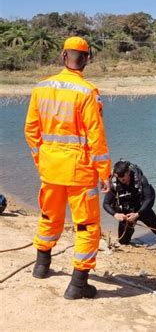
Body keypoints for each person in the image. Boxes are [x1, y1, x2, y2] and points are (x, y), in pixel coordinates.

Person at [24, 36, 112, 300]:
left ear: (63, 56)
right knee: (86, 226)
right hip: (80, 172)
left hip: (50, 169)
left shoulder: (41, 87)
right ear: (86, 59)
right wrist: (104, 173)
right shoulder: (87, 92)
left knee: (50, 217)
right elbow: (96, 137)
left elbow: (31, 131)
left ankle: (41, 267)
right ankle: (77, 285)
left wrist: (42, 159)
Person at [103, 160, 156, 248]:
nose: (122, 179)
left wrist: (138, 214)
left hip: (142, 209)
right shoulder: (113, 185)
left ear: (128, 172)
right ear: (116, 175)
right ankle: (131, 233)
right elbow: (106, 204)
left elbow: (149, 199)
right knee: (123, 242)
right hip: (126, 214)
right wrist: (115, 214)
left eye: (123, 177)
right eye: (119, 177)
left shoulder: (141, 180)